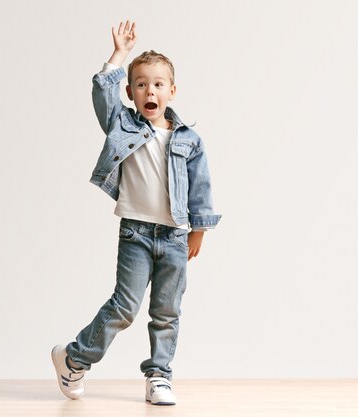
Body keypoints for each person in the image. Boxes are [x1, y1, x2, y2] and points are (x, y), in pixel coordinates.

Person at [51, 20, 221, 406]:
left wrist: (200, 229)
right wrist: (119, 55)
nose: (150, 90)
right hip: (136, 235)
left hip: (176, 238)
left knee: (166, 312)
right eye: (142, 84)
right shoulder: (123, 125)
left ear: (172, 91)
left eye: (159, 84)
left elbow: (201, 186)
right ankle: (73, 358)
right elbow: (101, 92)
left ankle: (159, 376)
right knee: (124, 308)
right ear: (131, 92)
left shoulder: (189, 140)